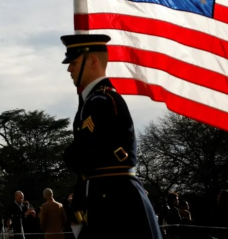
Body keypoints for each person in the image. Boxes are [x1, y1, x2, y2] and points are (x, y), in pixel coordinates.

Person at [59, 33, 162, 239]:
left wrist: (72, 156)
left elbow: (85, 153)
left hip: (116, 200)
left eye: (74, 62)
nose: (69, 69)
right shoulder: (92, 101)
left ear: (93, 62)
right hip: (104, 195)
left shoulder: (102, 100)